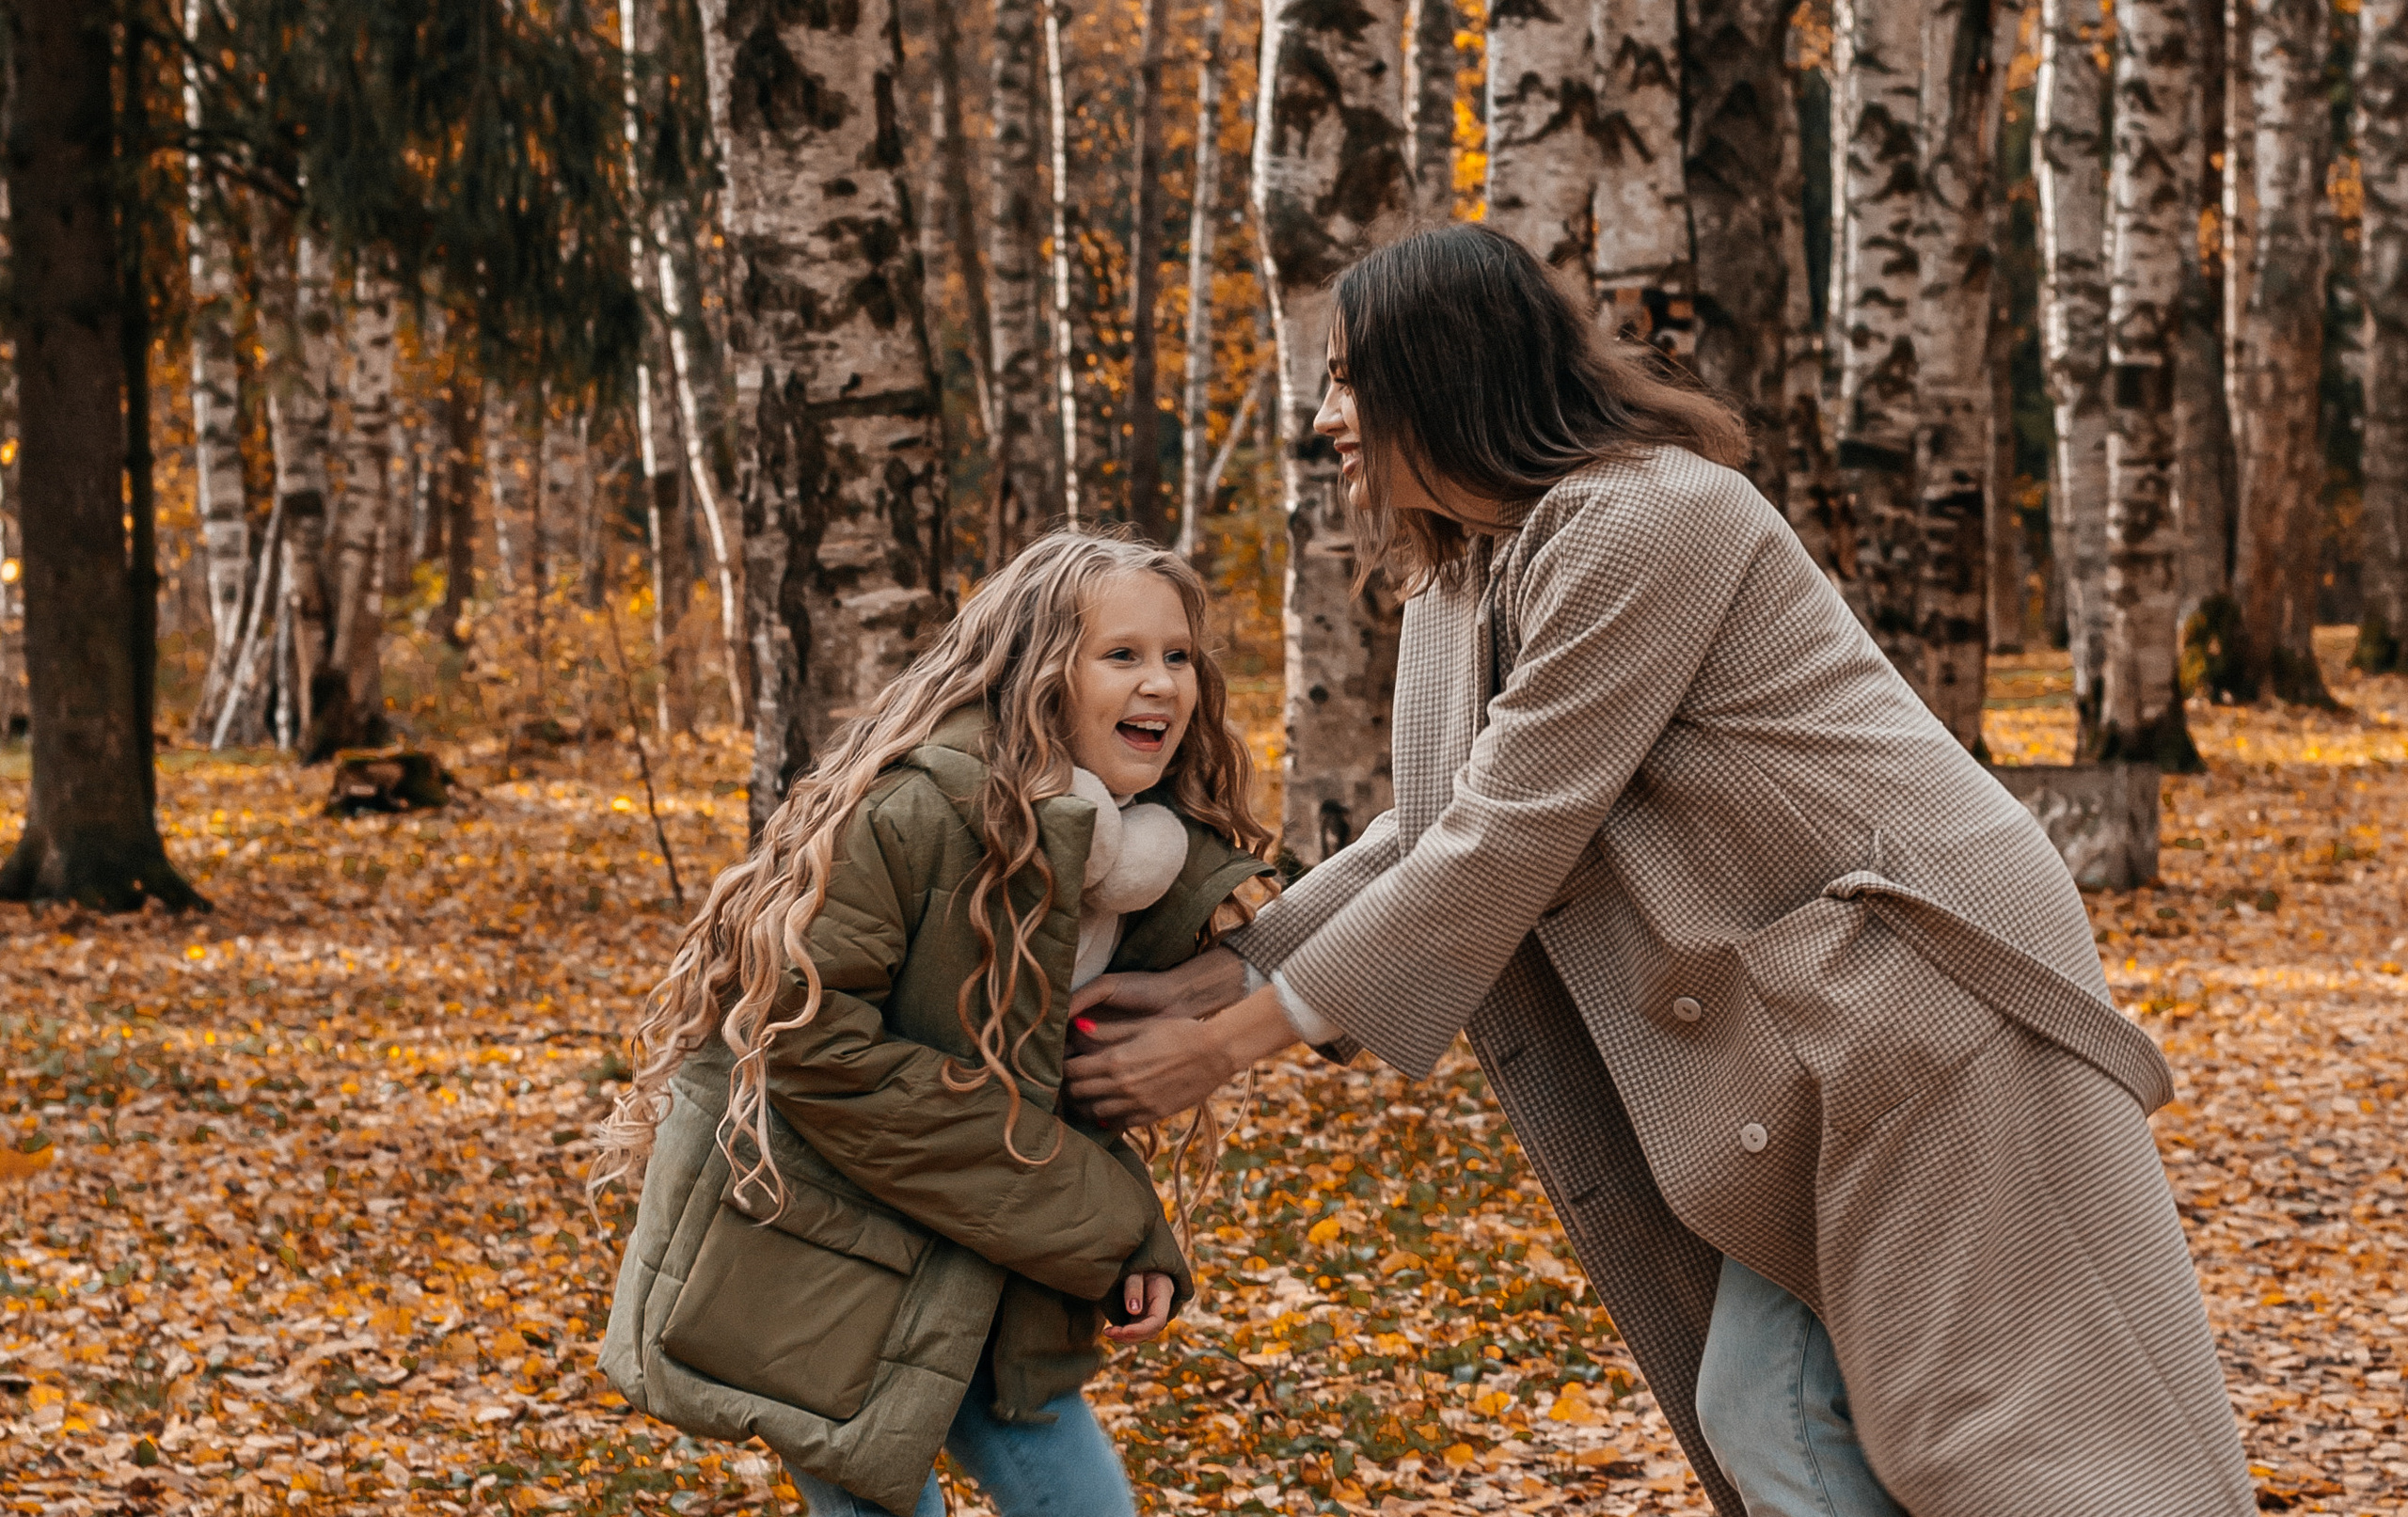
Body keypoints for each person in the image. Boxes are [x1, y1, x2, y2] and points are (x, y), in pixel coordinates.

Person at [1064, 224, 2252, 1517]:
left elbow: (1508, 831)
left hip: (1922, 993)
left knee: (1991, 1427)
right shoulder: (1470, 573)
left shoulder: (1646, 519)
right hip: (1820, 1014)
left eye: (1351, 377)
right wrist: (1224, 972)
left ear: (1445, 375)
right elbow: (1432, 825)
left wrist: (1228, 1041)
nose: (1324, 417)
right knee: (1782, 1401)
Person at [594, 531, 1276, 1517]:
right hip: (814, 1264)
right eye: (1121, 654)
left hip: (972, 1270)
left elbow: (1041, 1085)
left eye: (1178, 655)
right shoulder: (915, 813)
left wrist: (1131, 1235)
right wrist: (1108, 1222)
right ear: (1037, 672)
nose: (1162, 683)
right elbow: (814, 1049)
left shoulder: (1135, 862)